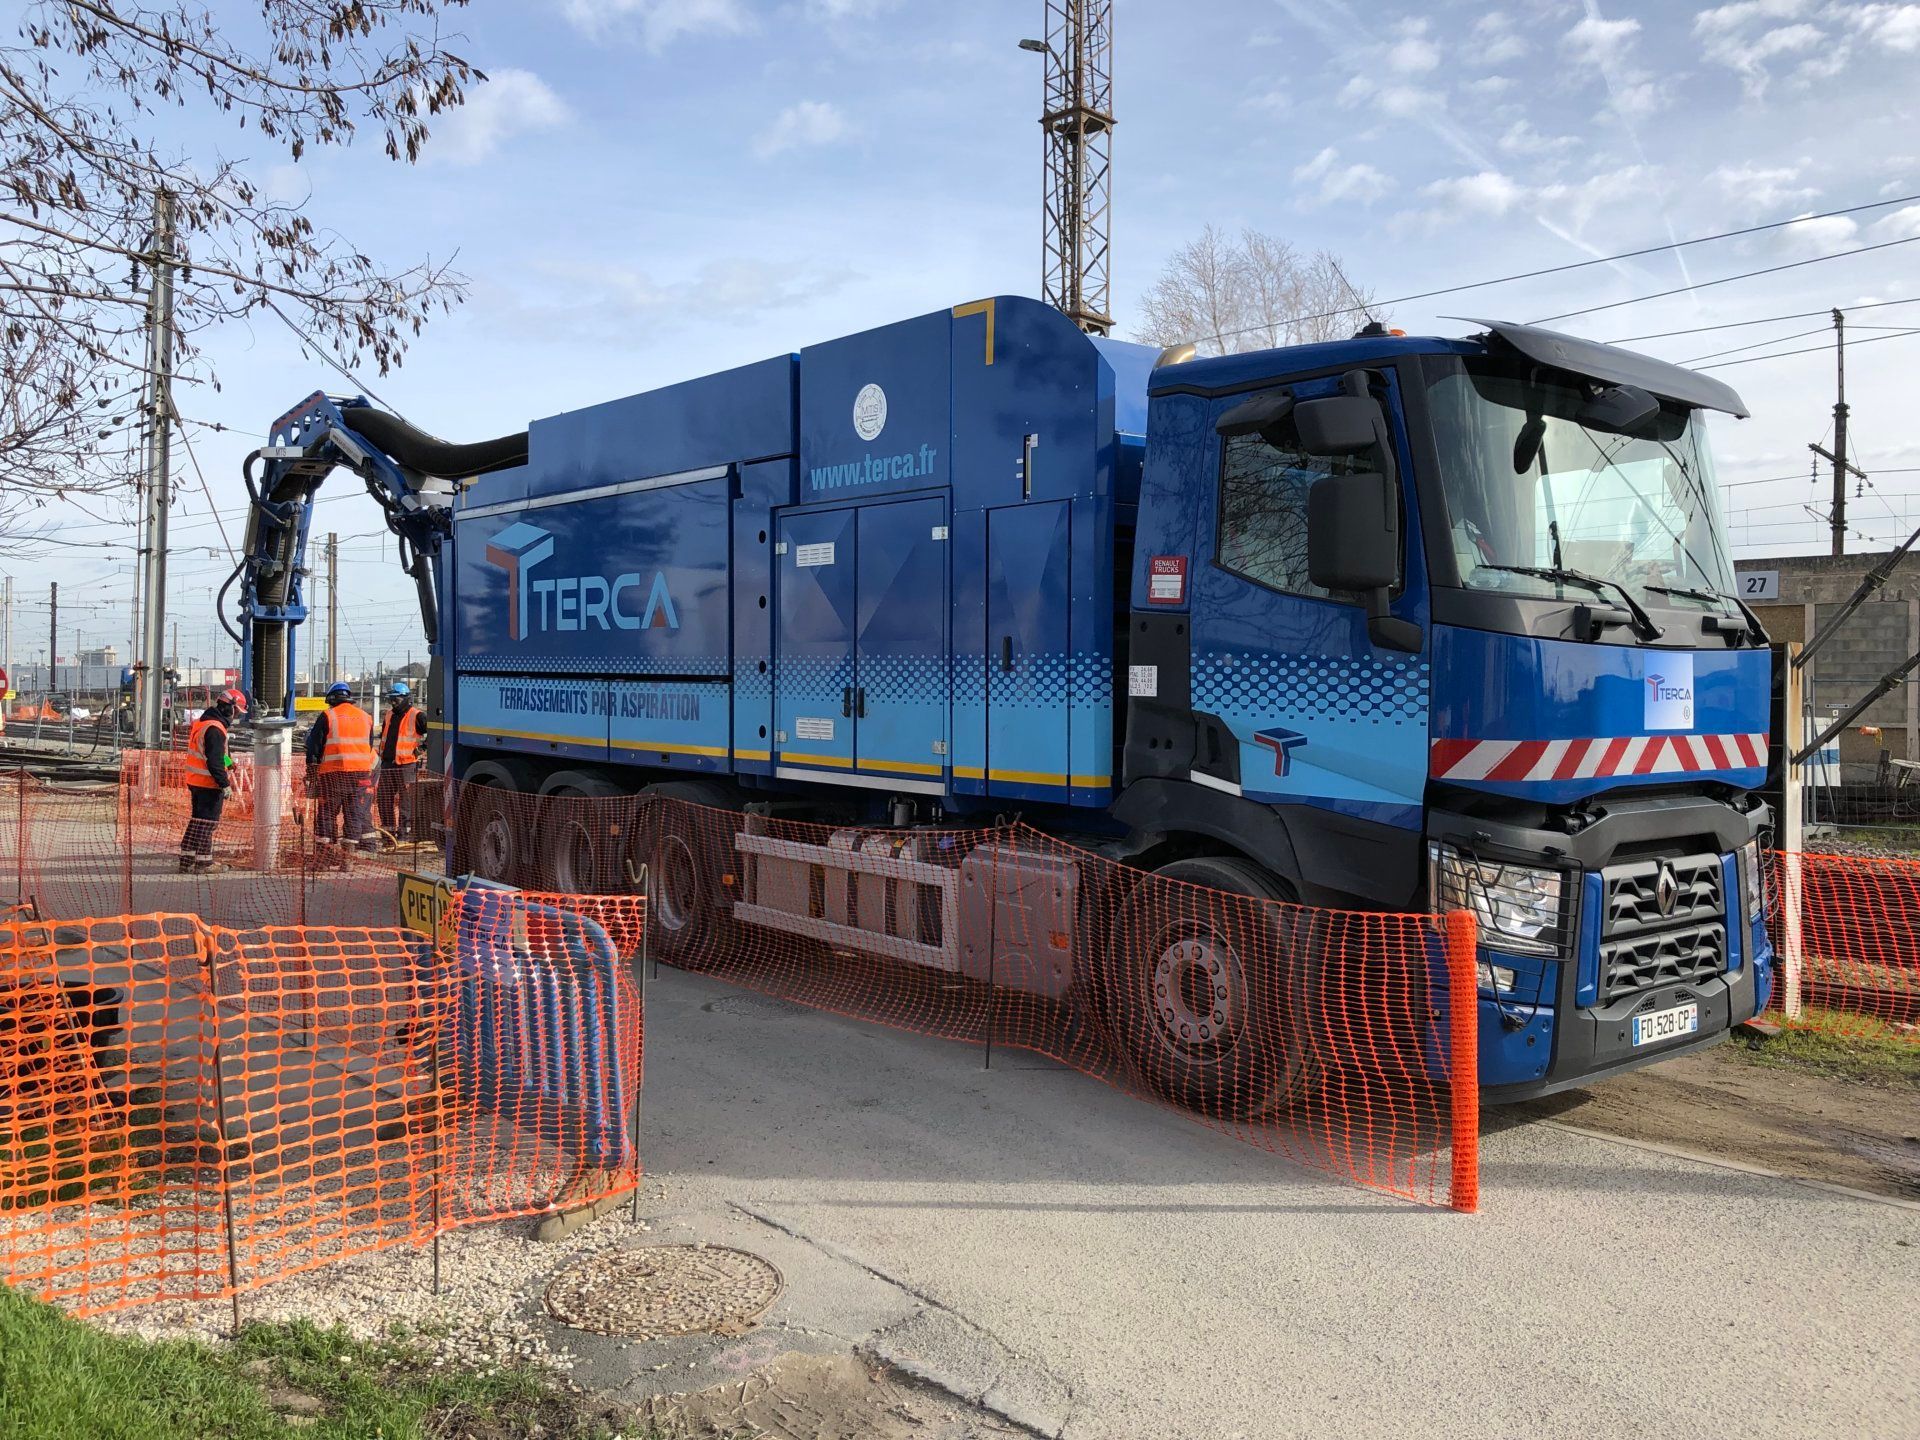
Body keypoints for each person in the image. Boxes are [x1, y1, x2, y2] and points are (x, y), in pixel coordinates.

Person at [304, 682, 376, 849]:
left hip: (333, 774)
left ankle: (325, 855)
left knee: (327, 813)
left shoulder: (328, 715)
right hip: (361, 774)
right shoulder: (366, 717)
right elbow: (369, 746)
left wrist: (311, 770)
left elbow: (315, 746)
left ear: (331, 698)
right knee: (354, 813)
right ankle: (348, 858)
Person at [179, 688, 245, 871]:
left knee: (198, 820)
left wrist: (228, 761)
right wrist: (225, 784)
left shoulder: (204, 722)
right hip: (208, 783)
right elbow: (213, 760)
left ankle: (187, 858)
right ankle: (204, 862)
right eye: (237, 711)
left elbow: (212, 752)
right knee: (208, 823)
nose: (237, 716)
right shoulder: (215, 728)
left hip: (196, 780)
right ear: (229, 708)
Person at [375, 681, 427, 839]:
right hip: (388, 763)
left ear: (405, 698)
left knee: (406, 801)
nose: (393, 702)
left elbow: (434, 732)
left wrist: (422, 749)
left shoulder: (417, 715)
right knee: (384, 798)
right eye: (391, 699)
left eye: (396, 699)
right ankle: (389, 833)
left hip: (406, 764)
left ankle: (405, 833)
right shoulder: (389, 715)